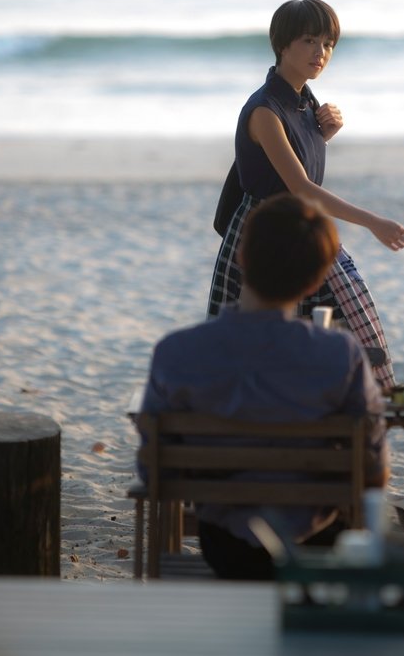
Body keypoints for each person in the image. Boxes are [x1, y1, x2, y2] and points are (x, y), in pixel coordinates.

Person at [141, 194, 389, 580]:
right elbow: (374, 469)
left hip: (224, 547)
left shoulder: (175, 353)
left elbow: (152, 469)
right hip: (319, 543)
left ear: (241, 258)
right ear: (314, 282)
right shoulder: (342, 355)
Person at [207, 0, 404, 391]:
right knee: (259, 351)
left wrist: (323, 135)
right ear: (282, 44)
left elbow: (294, 171)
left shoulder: (304, 102)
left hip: (299, 229)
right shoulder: (265, 110)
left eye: (328, 43)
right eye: (308, 41)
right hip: (266, 235)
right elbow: (301, 188)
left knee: (333, 335)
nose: (320, 53)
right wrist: (375, 223)